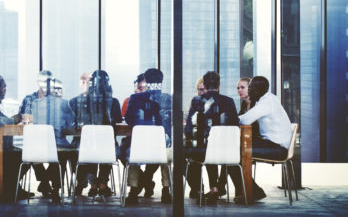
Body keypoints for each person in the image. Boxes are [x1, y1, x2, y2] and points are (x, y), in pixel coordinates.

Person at [184, 71, 240, 205]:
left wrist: (191, 135)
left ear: (205, 84)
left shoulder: (197, 100)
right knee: (212, 148)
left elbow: (188, 128)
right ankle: (215, 188)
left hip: (204, 151)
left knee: (186, 154)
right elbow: (235, 124)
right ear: (219, 85)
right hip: (226, 150)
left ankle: (199, 191)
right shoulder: (229, 101)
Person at [121, 68, 172, 205]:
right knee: (167, 156)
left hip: (140, 146)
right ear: (161, 81)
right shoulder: (168, 99)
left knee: (133, 153)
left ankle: (133, 192)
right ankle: (166, 191)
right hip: (161, 148)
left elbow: (129, 119)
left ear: (146, 82)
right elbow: (171, 122)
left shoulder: (135, 98)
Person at [238, 76, 293, 203]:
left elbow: (246, 119)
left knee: (237, 152)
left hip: (278, 148)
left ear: (258, 90)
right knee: (236, 150)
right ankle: (251, 191)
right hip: (274, 144)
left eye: (251, 87)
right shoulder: (269, 99)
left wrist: (231, 119)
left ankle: (251, 193)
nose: (249, 90)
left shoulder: (266, 102)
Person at [69, 70, 122, 199]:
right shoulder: (114, 102)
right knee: (106, 146)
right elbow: (119, 121)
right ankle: (103, 183)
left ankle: (91, 183)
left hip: (85, 147)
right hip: (107, 149)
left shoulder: (76, 101)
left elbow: (72, 124)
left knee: (84, 148)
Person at [29, 78, 75, 202]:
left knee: (39, 155)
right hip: (58, 145)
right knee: (62, 154)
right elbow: (70, 124)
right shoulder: (65, 104)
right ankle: (55, 188)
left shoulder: (35, 103)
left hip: (38, 146)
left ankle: (44, 182)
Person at [18, 70, 54, 197]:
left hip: (51, 140)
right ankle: (45, 182)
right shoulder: (29, 99)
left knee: (62, 154)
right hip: (33, 139)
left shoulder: (55, 100)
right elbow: (24, 117)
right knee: (33, 150)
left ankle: (44, 183)